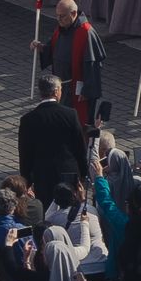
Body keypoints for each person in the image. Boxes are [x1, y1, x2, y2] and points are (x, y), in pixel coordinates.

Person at [19, 75, 90, 207]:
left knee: (46, 210)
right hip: (68, 173)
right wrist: (83, 173)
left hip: (43, 175)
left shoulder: (28, 119)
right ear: (56, 91)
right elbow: (80, 147)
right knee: (70, 209)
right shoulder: (70, 114)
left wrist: (26, 182)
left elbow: (25, 154)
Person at [33, 0, 107, 126]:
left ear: (73, 13)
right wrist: (42, 48)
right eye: (57, 15)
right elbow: (54, 49)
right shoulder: (61, 29)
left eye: (62, 16)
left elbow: (92, 64)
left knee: (77, 122)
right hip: (61, 86)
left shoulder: (86, 32)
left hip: (77, 89)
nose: (59, 19)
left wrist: (87, 90)